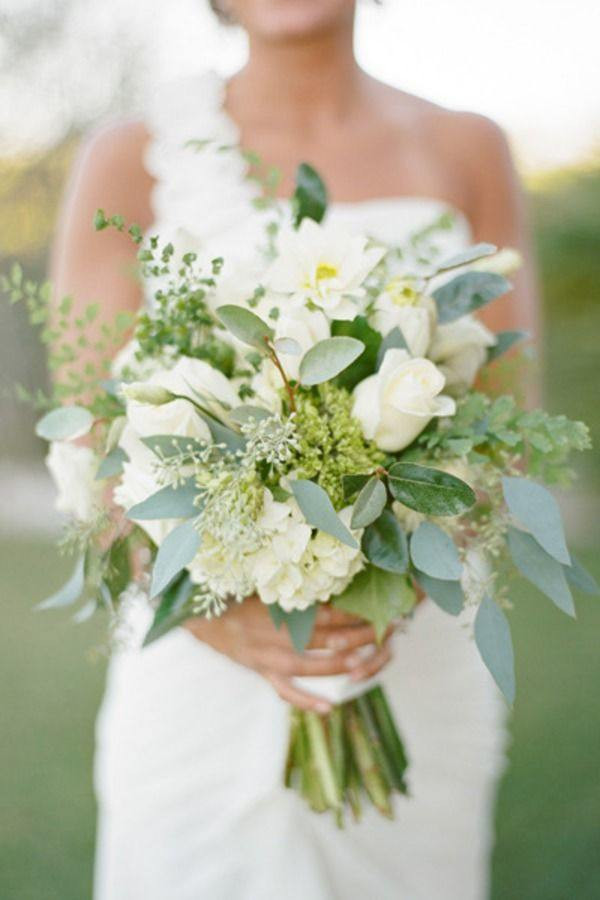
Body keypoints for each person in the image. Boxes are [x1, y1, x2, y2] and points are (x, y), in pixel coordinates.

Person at [51, 2, 539, 897]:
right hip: (197, 666)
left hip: (412, 647)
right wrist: (215, 619)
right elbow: (89, 441)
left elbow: (509, 427)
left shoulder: (466, 145)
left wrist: (398, 576)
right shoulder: (128, 155)